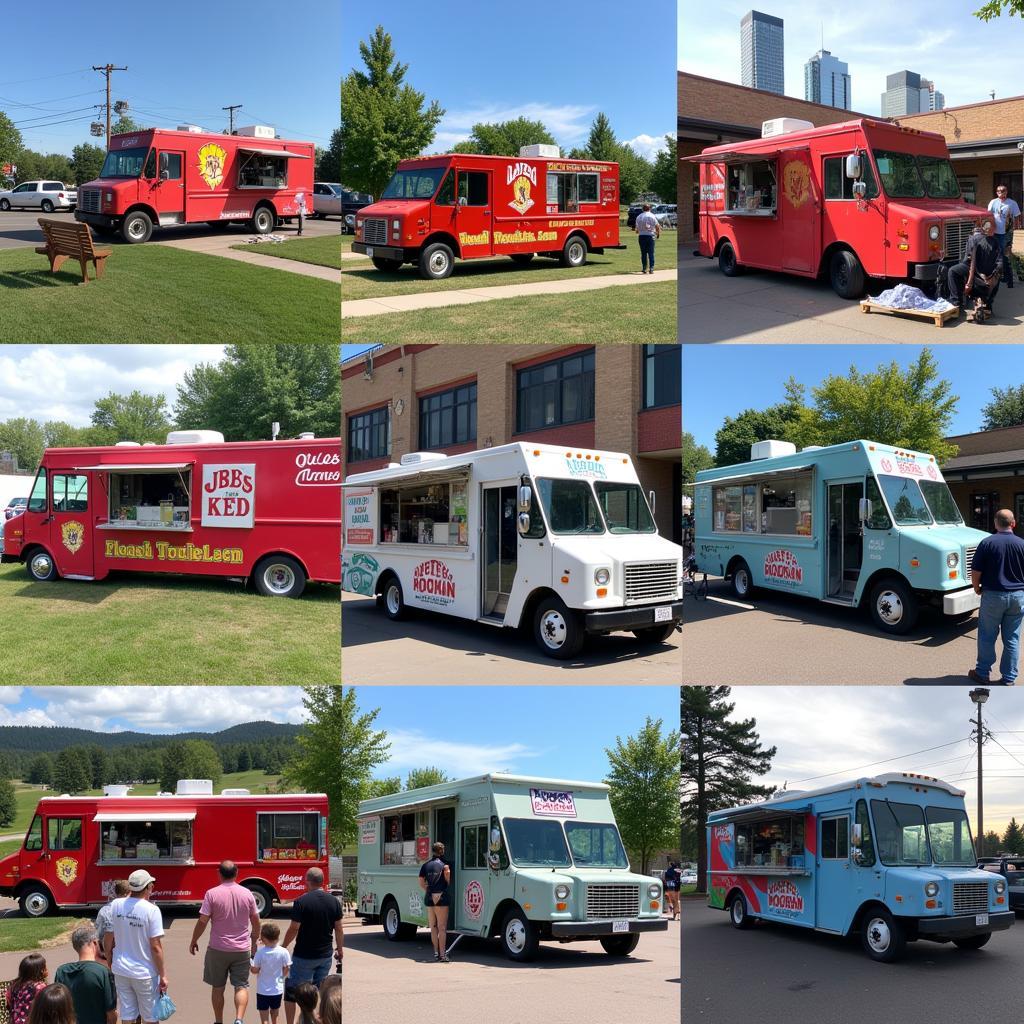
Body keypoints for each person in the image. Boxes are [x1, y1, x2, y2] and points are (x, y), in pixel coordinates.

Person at [190, 860, 261, 1024]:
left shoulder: (212, 894)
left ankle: (219, 1021)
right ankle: (238, 1019)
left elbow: (203, 921)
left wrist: (194, 940)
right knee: (242, 985)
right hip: (242, 949)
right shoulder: (247, 893)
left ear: (218, 873)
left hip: (218, 948)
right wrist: (255, 937)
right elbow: (256, 919)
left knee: (218, 987)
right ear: (236, 873)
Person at [969, 508, 1024, 686]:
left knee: (987, 635)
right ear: (1013, 524)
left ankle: (983, 673)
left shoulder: (987, 543)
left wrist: (976, 588)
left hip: (993, 596)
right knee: (1012, 638)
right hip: (1017, 597)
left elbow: (976, 571)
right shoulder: (1022, 544)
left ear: (995, 523)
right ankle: (1009, 677)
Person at [104, 869, 168, 1024]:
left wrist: (110, 960)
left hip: (121, 968)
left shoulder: (116, 905)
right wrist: (163, 974)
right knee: (150, 1016)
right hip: (144, 972)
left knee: (128, 1014)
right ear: (147, 888)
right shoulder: (152, 910)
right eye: (151, 885)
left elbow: (108, 938)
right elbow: (155, 947)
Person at [282, 868, 343, 1024]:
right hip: (325, 956)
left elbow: (294, 928)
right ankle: (318, 1020)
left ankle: (297, 1022)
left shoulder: (301, 902)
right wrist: (340, 949)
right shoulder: (334, 901)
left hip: (304, 955)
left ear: (307, 881)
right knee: (319, 991)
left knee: (294, 992)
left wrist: (283, 945)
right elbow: (339, 928)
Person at [54, 924, 117, 1024]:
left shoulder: (61, 971)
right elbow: (111, 1013)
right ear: (95, 943)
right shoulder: (103, 972)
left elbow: (57, 1006)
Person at [948, 218, 1002, 319]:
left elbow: (970, 261)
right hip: (988, 274)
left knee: (952, 271)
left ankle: (956, 302)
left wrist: (968, 282)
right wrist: (995, 274)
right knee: (997, 277)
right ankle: (989, 305)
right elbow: (1000, 262)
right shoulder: (996, 241)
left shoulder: (973, 239)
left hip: (974, 270)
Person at [251, 922, 292, 1024]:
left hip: (262, 991)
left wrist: (250, 962)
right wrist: (281, 978)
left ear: (263, 939)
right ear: (278, 937)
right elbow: (287, 967)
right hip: (277, 990)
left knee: (264, 1019)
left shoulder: (260, 953)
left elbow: (254, 970)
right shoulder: (283, 952)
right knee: (275, 1016)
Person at [418, 841, 452, 963]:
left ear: (433, 851)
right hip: (441, 897)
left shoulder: (425, 865)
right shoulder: (445, 865)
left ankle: (436, 953)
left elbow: (421, 882)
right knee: (442, 928)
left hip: (429, 897)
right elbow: (447, 879)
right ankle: (443, 955)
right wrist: (446, 881)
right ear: (442, 851)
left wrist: (428, 889)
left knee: (433, 927)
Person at [988, 184, 1021, 287]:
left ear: (1006, 192)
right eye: (998, 191)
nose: (1001, 193)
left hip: (1005, 234)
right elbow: (988, 216)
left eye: (1003, 191)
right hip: (993, 232)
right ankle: (997, 276)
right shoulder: (993, 202)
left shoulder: (1012, 203)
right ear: (996, 192)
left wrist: (1013, 231)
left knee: (1004, 256)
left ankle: (1009, 280)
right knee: (993, 254)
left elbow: (1017, 217)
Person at [95, 880, 130, 968]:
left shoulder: (104, 910)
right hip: (122, 956)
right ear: (126, 893)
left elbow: (98, 935)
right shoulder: (132, 910)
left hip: (106, 955)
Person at [6, 954, 48, 1024]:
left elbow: (9, 1003)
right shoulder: (40, 987)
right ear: (41, 971)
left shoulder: (14, 985)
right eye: (45, 967)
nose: (47, 970)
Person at [633, 203, 661, 274]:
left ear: (643, 209)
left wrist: (640, 230)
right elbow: (657, 226)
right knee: (651, 253)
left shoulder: (639, 216)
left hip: (642, 236)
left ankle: (644, 268)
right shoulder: (652, 216)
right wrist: (658, 234)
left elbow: (637, 230)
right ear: (650, 209)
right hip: (650, 236)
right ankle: (651, 268)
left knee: (643, 253)